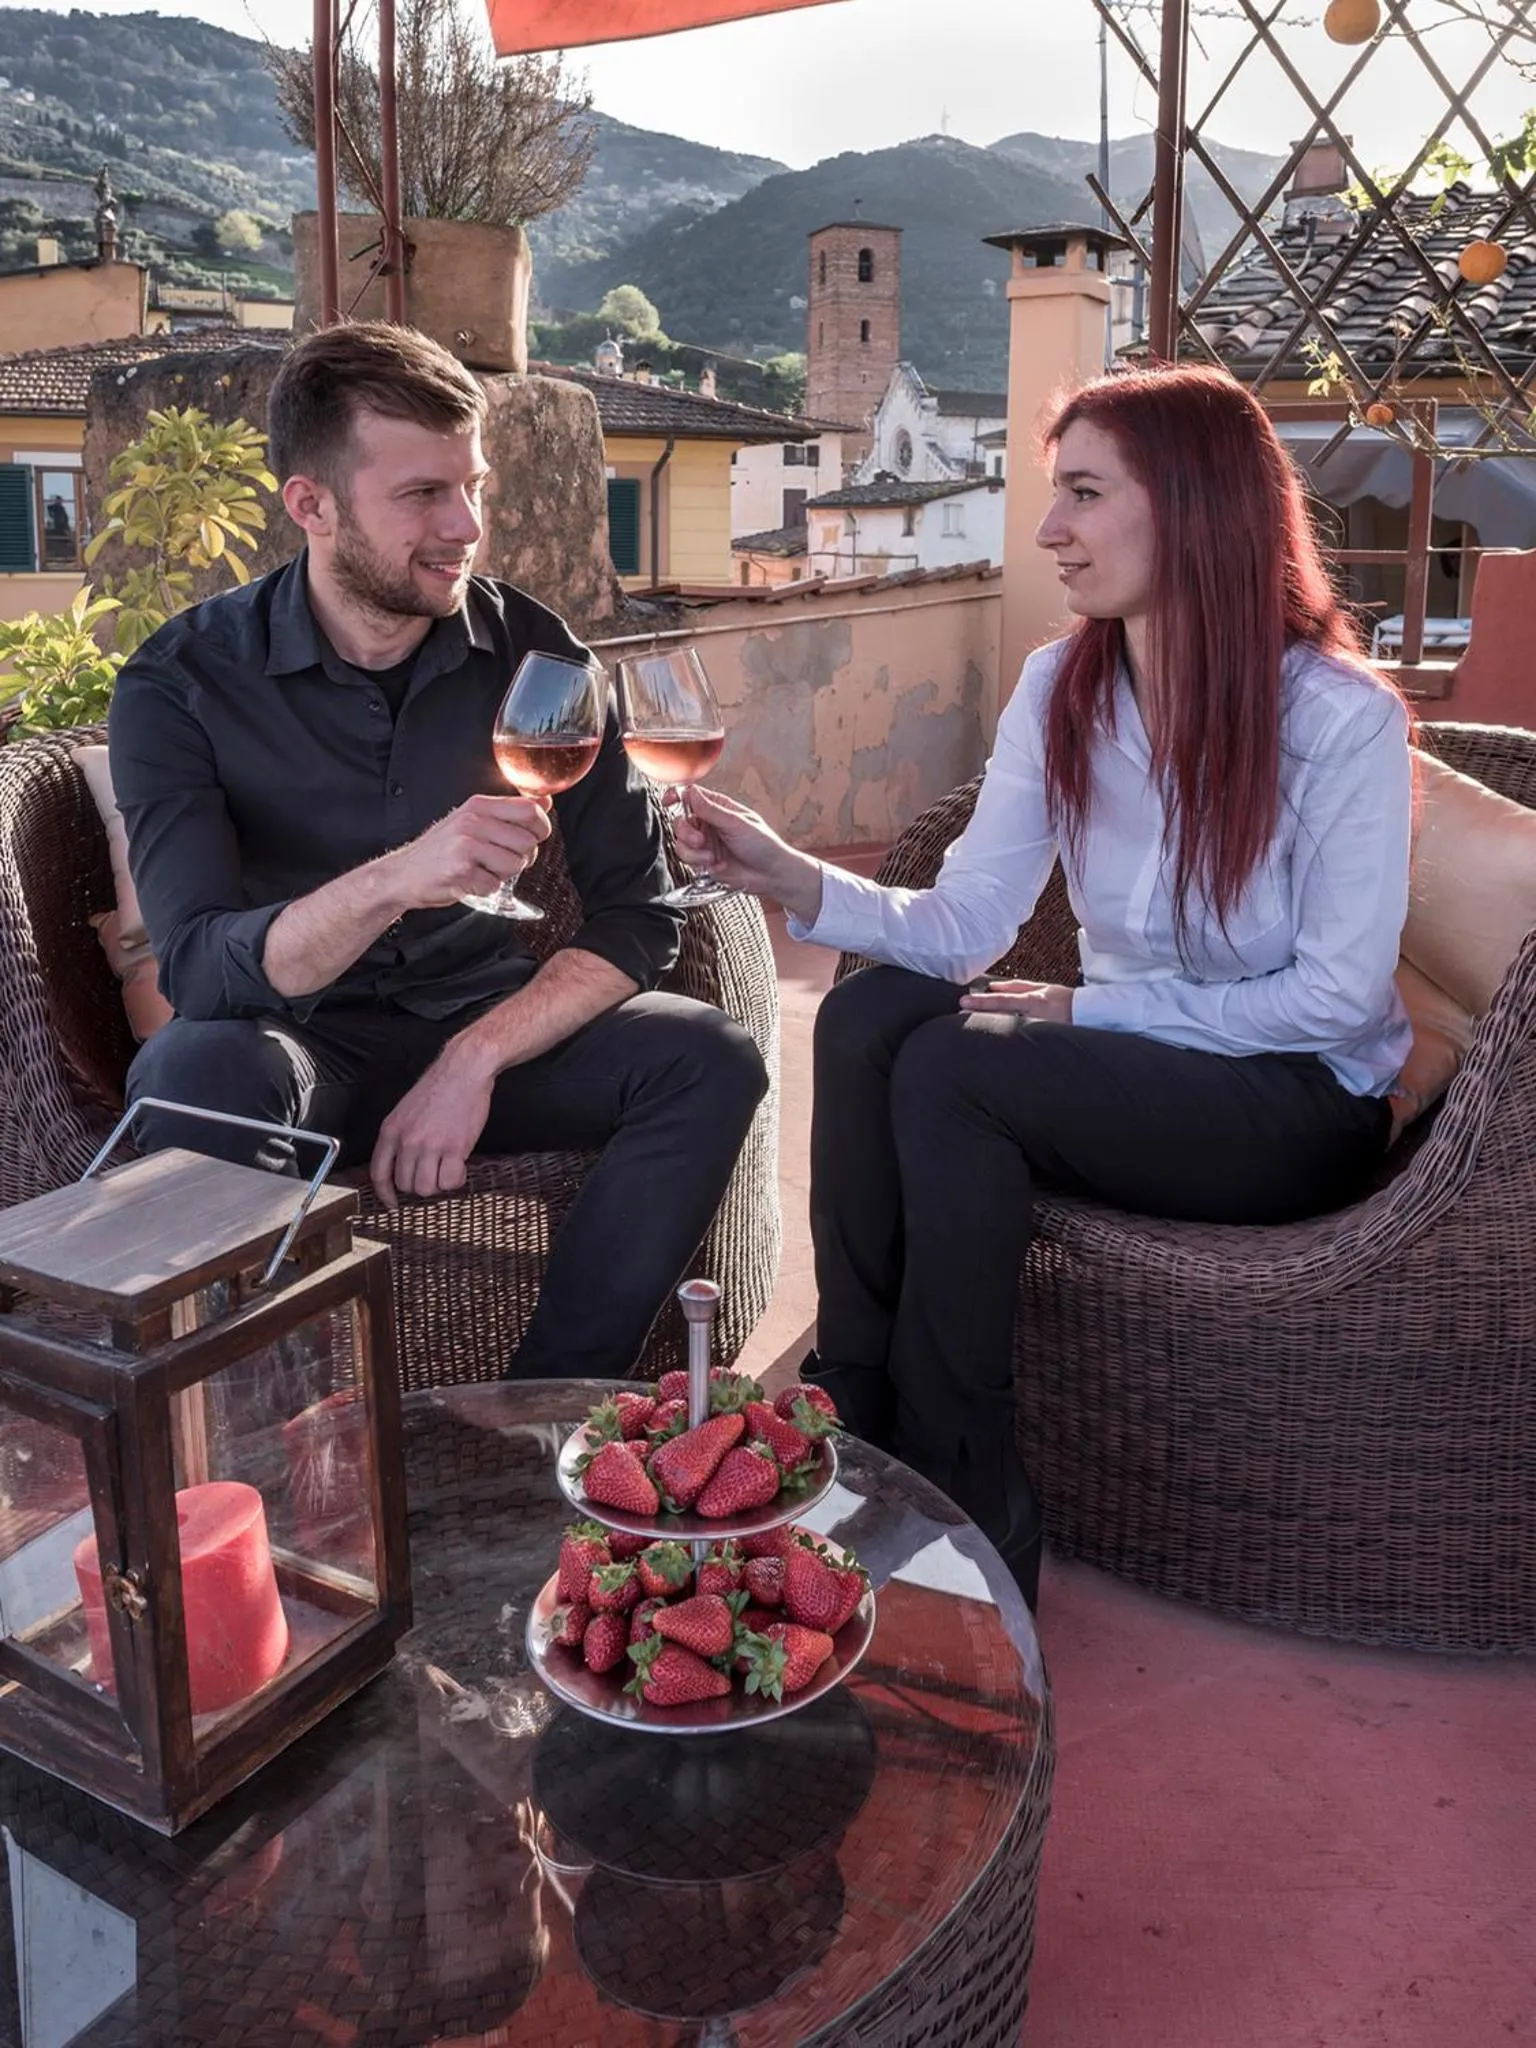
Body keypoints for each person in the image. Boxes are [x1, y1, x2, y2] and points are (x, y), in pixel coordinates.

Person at [677, 364, 1413, 1609]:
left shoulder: (1338, 721)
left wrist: (1089, 1007)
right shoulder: (1061, 687)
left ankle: (971, 1492)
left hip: (1291, 1104)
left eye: (1082, 493)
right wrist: (787, 874)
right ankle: (859, 1423)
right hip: (1135, 1079)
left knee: (963, 1068)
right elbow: (967, 925)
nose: (1047, 530)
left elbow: (1336, 1001)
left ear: (1195, 507)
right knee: (868, 1016)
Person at [110, 320, 767, 1380]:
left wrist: (474, 1056)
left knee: (709, 1055)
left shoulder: (535, 654)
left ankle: (547, 1404)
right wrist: (399, 878)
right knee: (190, 1072)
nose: (464, 525)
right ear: (311, 505)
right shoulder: (181, 682)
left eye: (473, 487)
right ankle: (297, 1432)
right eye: (422, 494)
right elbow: (200, 967)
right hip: (293, 1046)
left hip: (484, 1023)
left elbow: (636, 912)